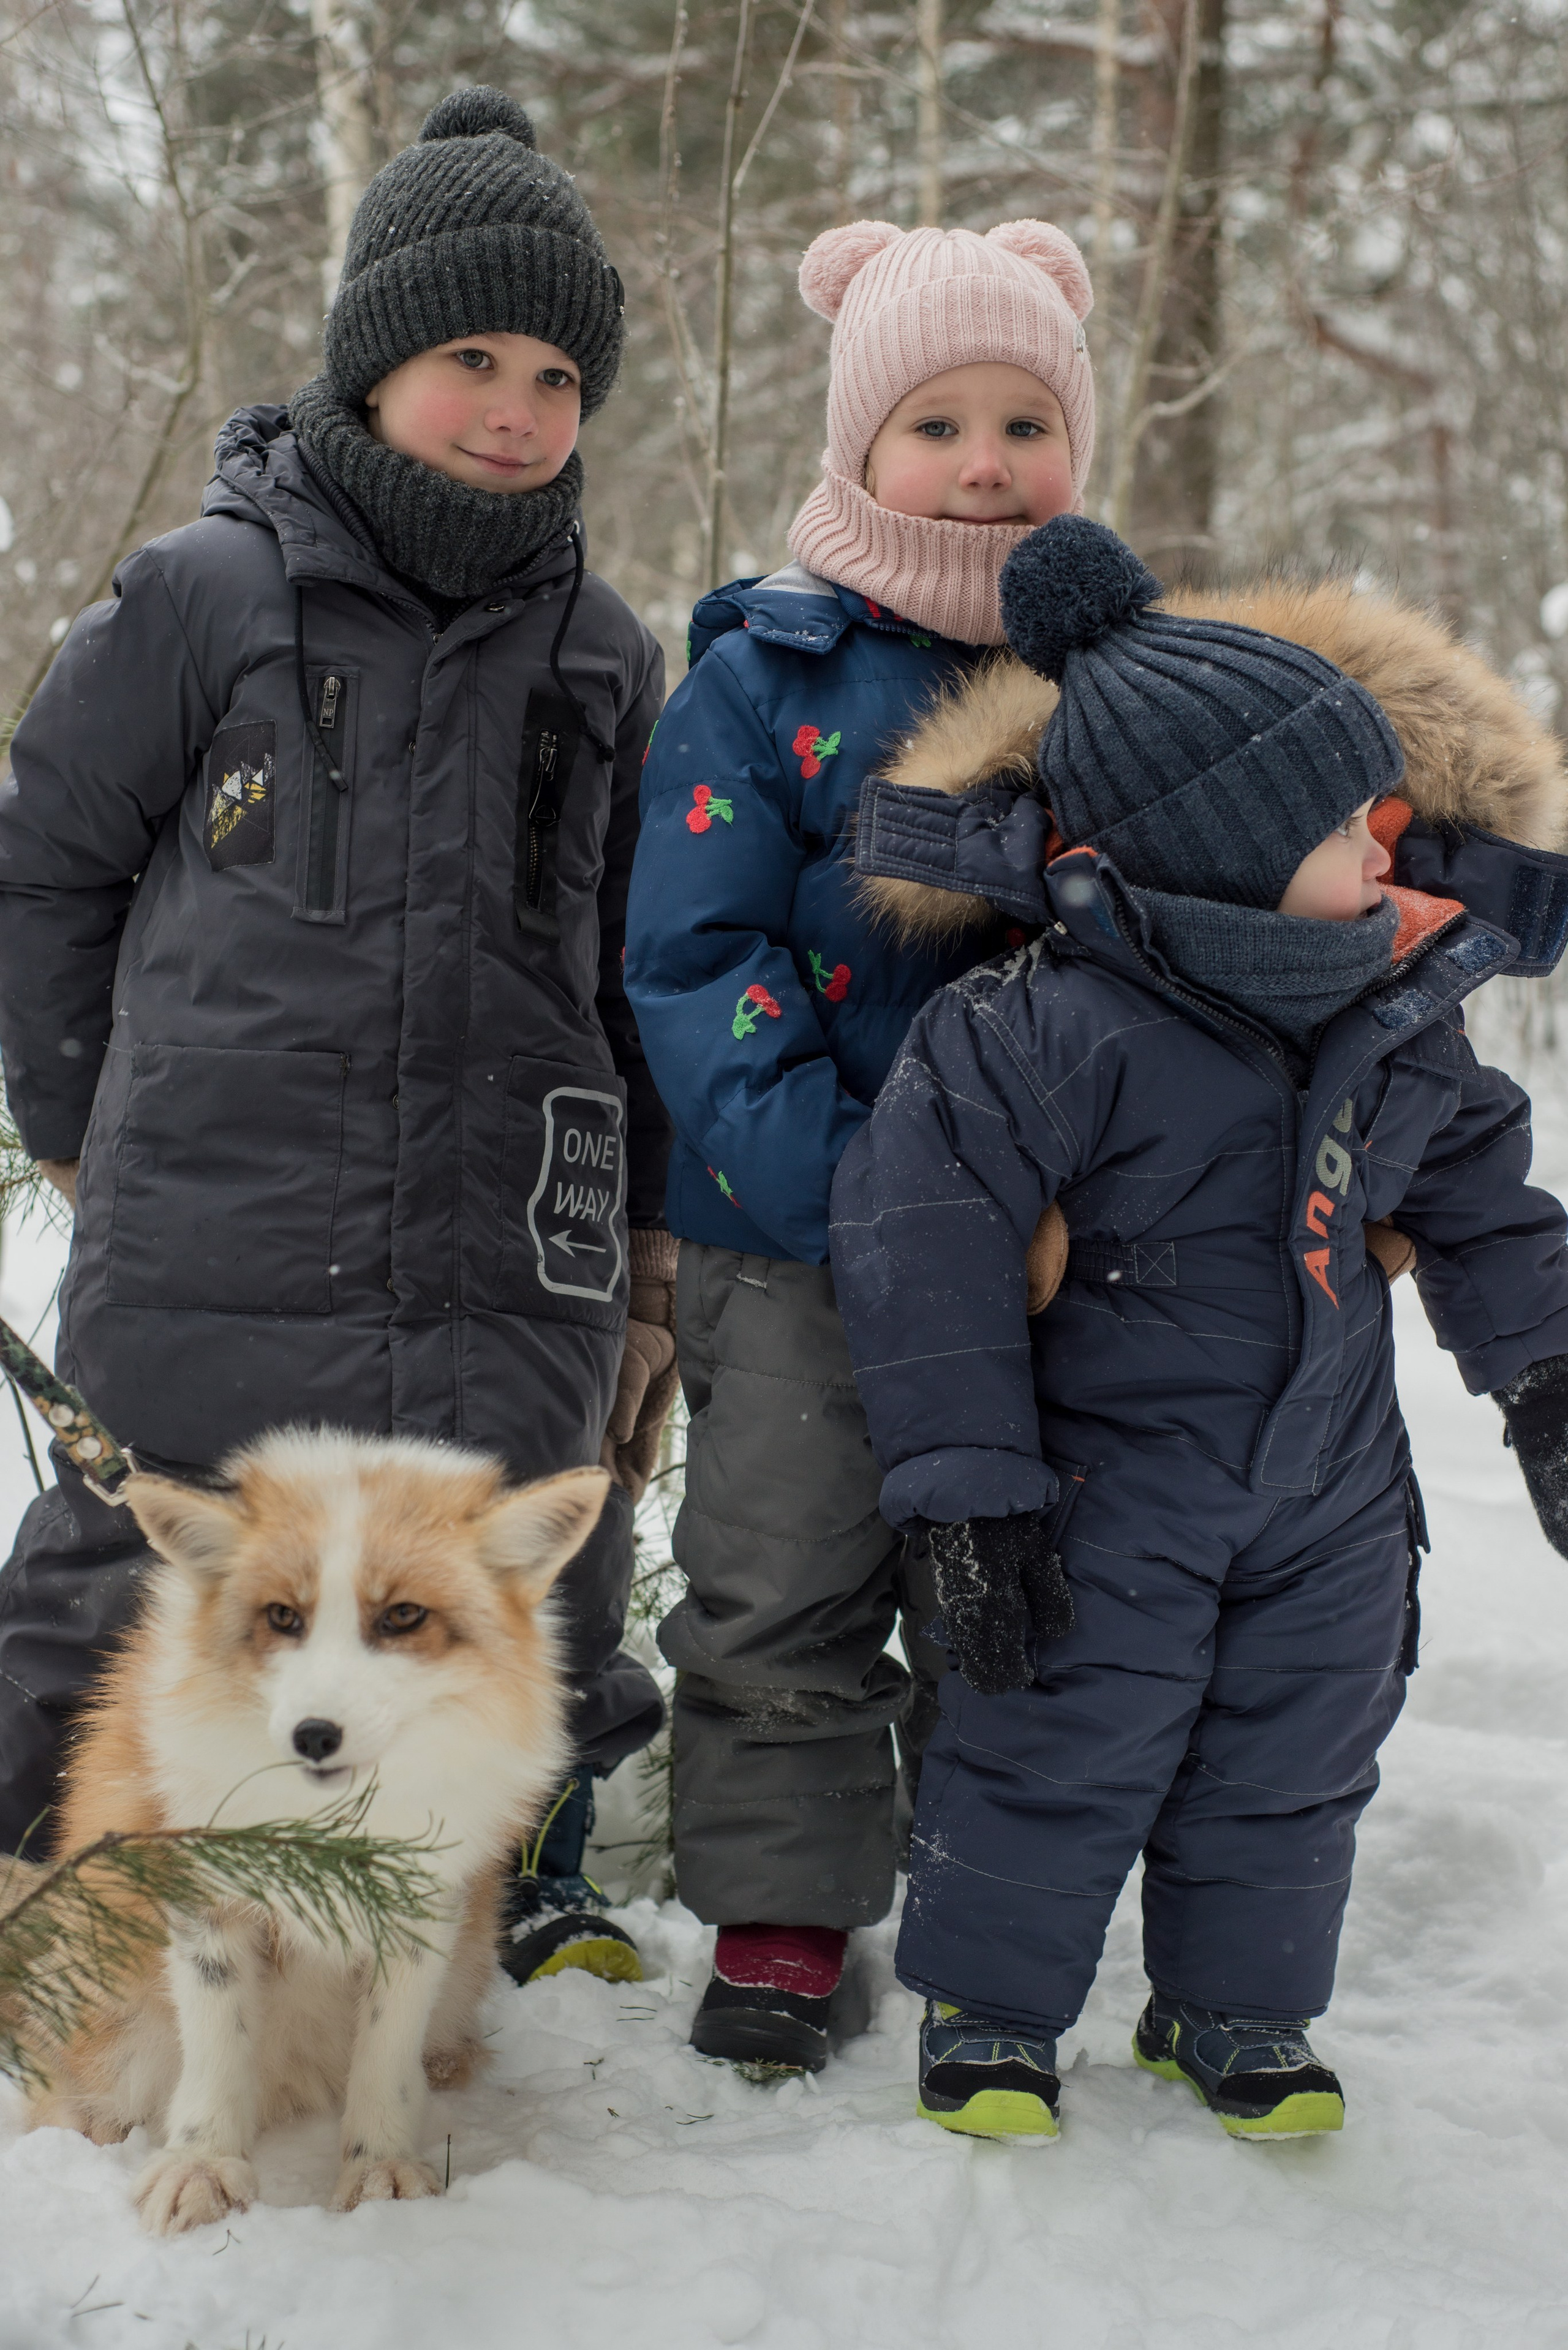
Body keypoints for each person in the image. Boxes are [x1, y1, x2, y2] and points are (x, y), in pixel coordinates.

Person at [0, 88, 677, 1984]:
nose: (517, 408)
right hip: (215, 1214)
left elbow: (639, 964)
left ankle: (500, 1876)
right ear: (375, 360)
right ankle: (51, 1879)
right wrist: (82, 1121)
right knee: (144, 1542)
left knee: (522, 1553)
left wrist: (647, 1240)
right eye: (474, 359)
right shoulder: (207, 592)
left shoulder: (606, 655)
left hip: (505, 1226)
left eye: (558, 375)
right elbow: (45, 863)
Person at [829, 512, 1568, 2142]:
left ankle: (1237, 2009)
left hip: (1332, 1492)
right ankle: (995, 2010)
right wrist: (967, 1494)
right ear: (1224, 844)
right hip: (1108, 1488)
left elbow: (1486, 1203)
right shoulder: (1043, 1027)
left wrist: (1547, 1377)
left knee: (1299, 1746)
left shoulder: (1398, 1014)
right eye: (1345, 820)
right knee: (1058, 1732)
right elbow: (924, 1247)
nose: (1387, 843)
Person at [623, 218, 1097, 2069]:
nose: (985, 466)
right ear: (860, 445)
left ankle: (993, 1897)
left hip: (1053, 1248)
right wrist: (855, 1185)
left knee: (1018, 1583)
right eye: (936, 425)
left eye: (1025, 425)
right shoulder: (764, 678)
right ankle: (785, 1909)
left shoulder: (1130, 681)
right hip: (798, 1231)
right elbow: (698, 954)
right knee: (783, 1565)